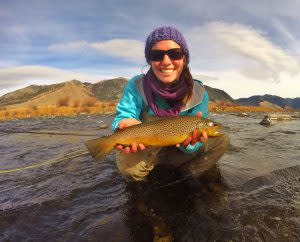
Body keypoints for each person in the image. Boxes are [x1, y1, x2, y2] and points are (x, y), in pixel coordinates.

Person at [112, 26, 229, 182]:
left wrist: (190, 144)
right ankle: (145, 180)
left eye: (175, 54)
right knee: (129, 167)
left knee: (221, 140)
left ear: (184, 59)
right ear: (150, 60)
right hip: (146, 145)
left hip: (178, 151)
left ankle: (187, 175)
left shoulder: (199, 94)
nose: (166, 62)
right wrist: (122, 124)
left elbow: (193, 145)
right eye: (157, 55)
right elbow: (124, 115)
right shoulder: (136, 85)